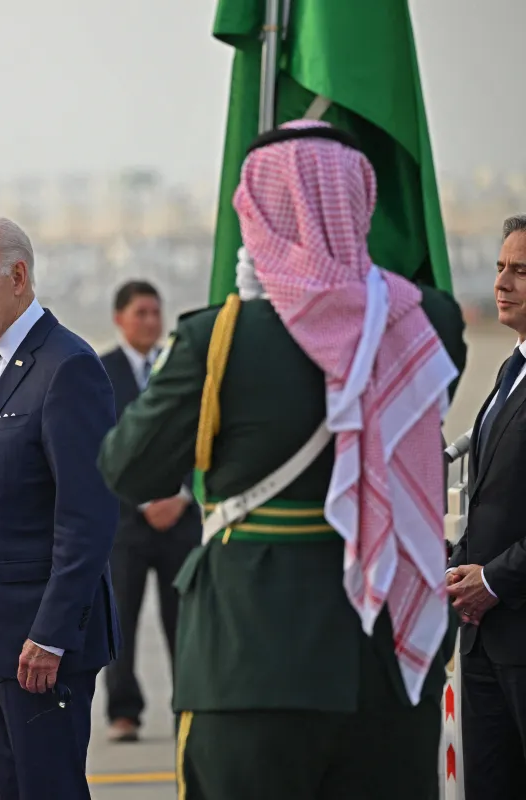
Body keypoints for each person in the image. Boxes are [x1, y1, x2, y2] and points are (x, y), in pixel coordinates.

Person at [98, 121, 467, 799]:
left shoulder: (218, 339)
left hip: (249, 660)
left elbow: (128, 468)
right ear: (360, 201)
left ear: (258, 210)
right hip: (387, 656)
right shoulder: (428, 321)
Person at [0, 214, 119, 800]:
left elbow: (87, 516)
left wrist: (51, 633)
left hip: (43, 645)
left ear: (18, 276)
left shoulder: (67, 367)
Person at [445, 213, 526, 797]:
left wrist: (495, 579)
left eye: (521, 271)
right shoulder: (509, 372)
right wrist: (452, 562)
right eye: (501, 267)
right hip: (484, 637)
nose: (502, 282)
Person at [98, 280, 199, 743]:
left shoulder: (181, 365)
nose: (151, 321)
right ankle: (124, 712)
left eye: (156, 313)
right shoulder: (101, 371)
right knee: (121, 621)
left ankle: (190, 708)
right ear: (119, 318)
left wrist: (182, 494)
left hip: (181, 518)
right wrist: (141, 499)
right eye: (140, 313)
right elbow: (99, 446)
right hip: (124, 523)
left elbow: (202, 433)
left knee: (186, 621)